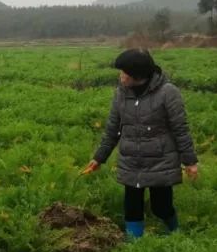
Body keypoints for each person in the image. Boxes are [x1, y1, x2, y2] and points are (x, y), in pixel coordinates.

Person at [82, 49, 199, 239]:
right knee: (132, 207)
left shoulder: (168, 93)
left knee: (161, 208)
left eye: (124, 72)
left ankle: (176, 235)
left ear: (137, 75)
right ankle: (134, 249)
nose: (120, 76)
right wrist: (99, 158)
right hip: (132, 161)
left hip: (160, 162)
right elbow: (112, 129)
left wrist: (190, 162)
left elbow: (180, 129)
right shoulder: (121, 94)